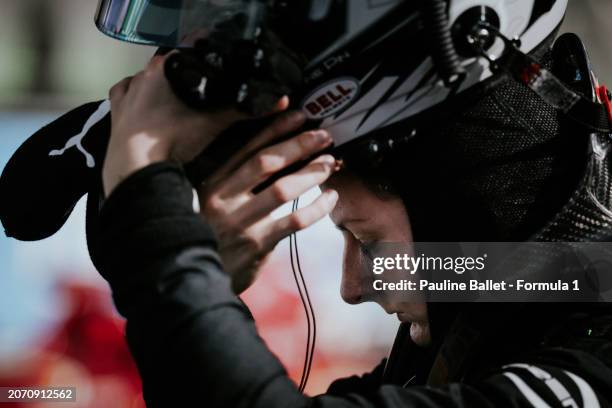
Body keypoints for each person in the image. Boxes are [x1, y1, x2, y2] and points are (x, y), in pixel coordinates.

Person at [3, 0, 612, 406]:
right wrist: (189, 284)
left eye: (365, 240)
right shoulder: (520, 308)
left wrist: (167, 259)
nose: (352, 286)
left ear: (467, 195)